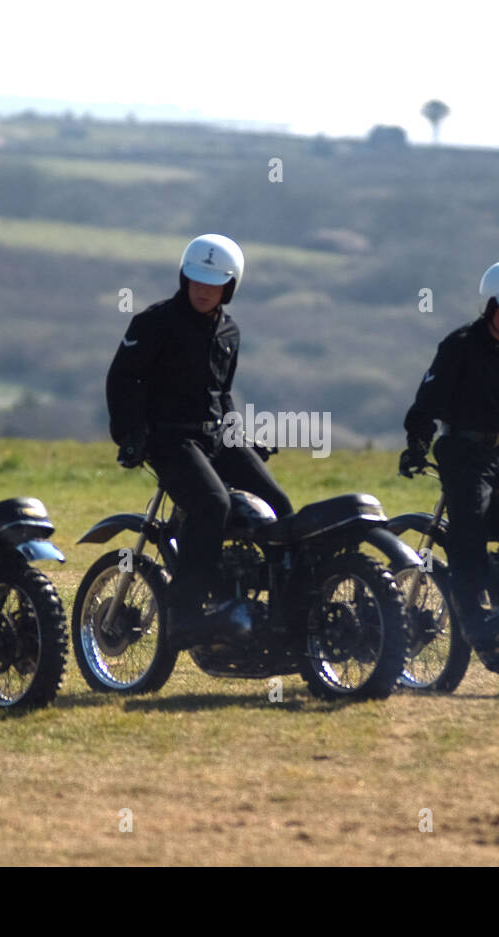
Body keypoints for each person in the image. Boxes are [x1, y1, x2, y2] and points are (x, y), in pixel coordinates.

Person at [106, 233, 292, 647]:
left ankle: (285, 613)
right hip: (169, 439)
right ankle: (186, 615)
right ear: (183, 278)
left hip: (216, 437)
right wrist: (131, 434)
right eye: (196, 280)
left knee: (278, 506)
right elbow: (122, 379)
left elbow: (220, 394)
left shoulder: (229, 331)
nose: (203, 290)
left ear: (230, 286)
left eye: (214, 283)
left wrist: (239, 434)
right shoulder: (153, 323)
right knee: (212, 504)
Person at [400, 259, 499, 664]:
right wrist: (417, 442)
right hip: (464, 451)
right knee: (469, 526)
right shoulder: (459, 346)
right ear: (490, 305)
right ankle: (473, 616)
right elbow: (428, 400)